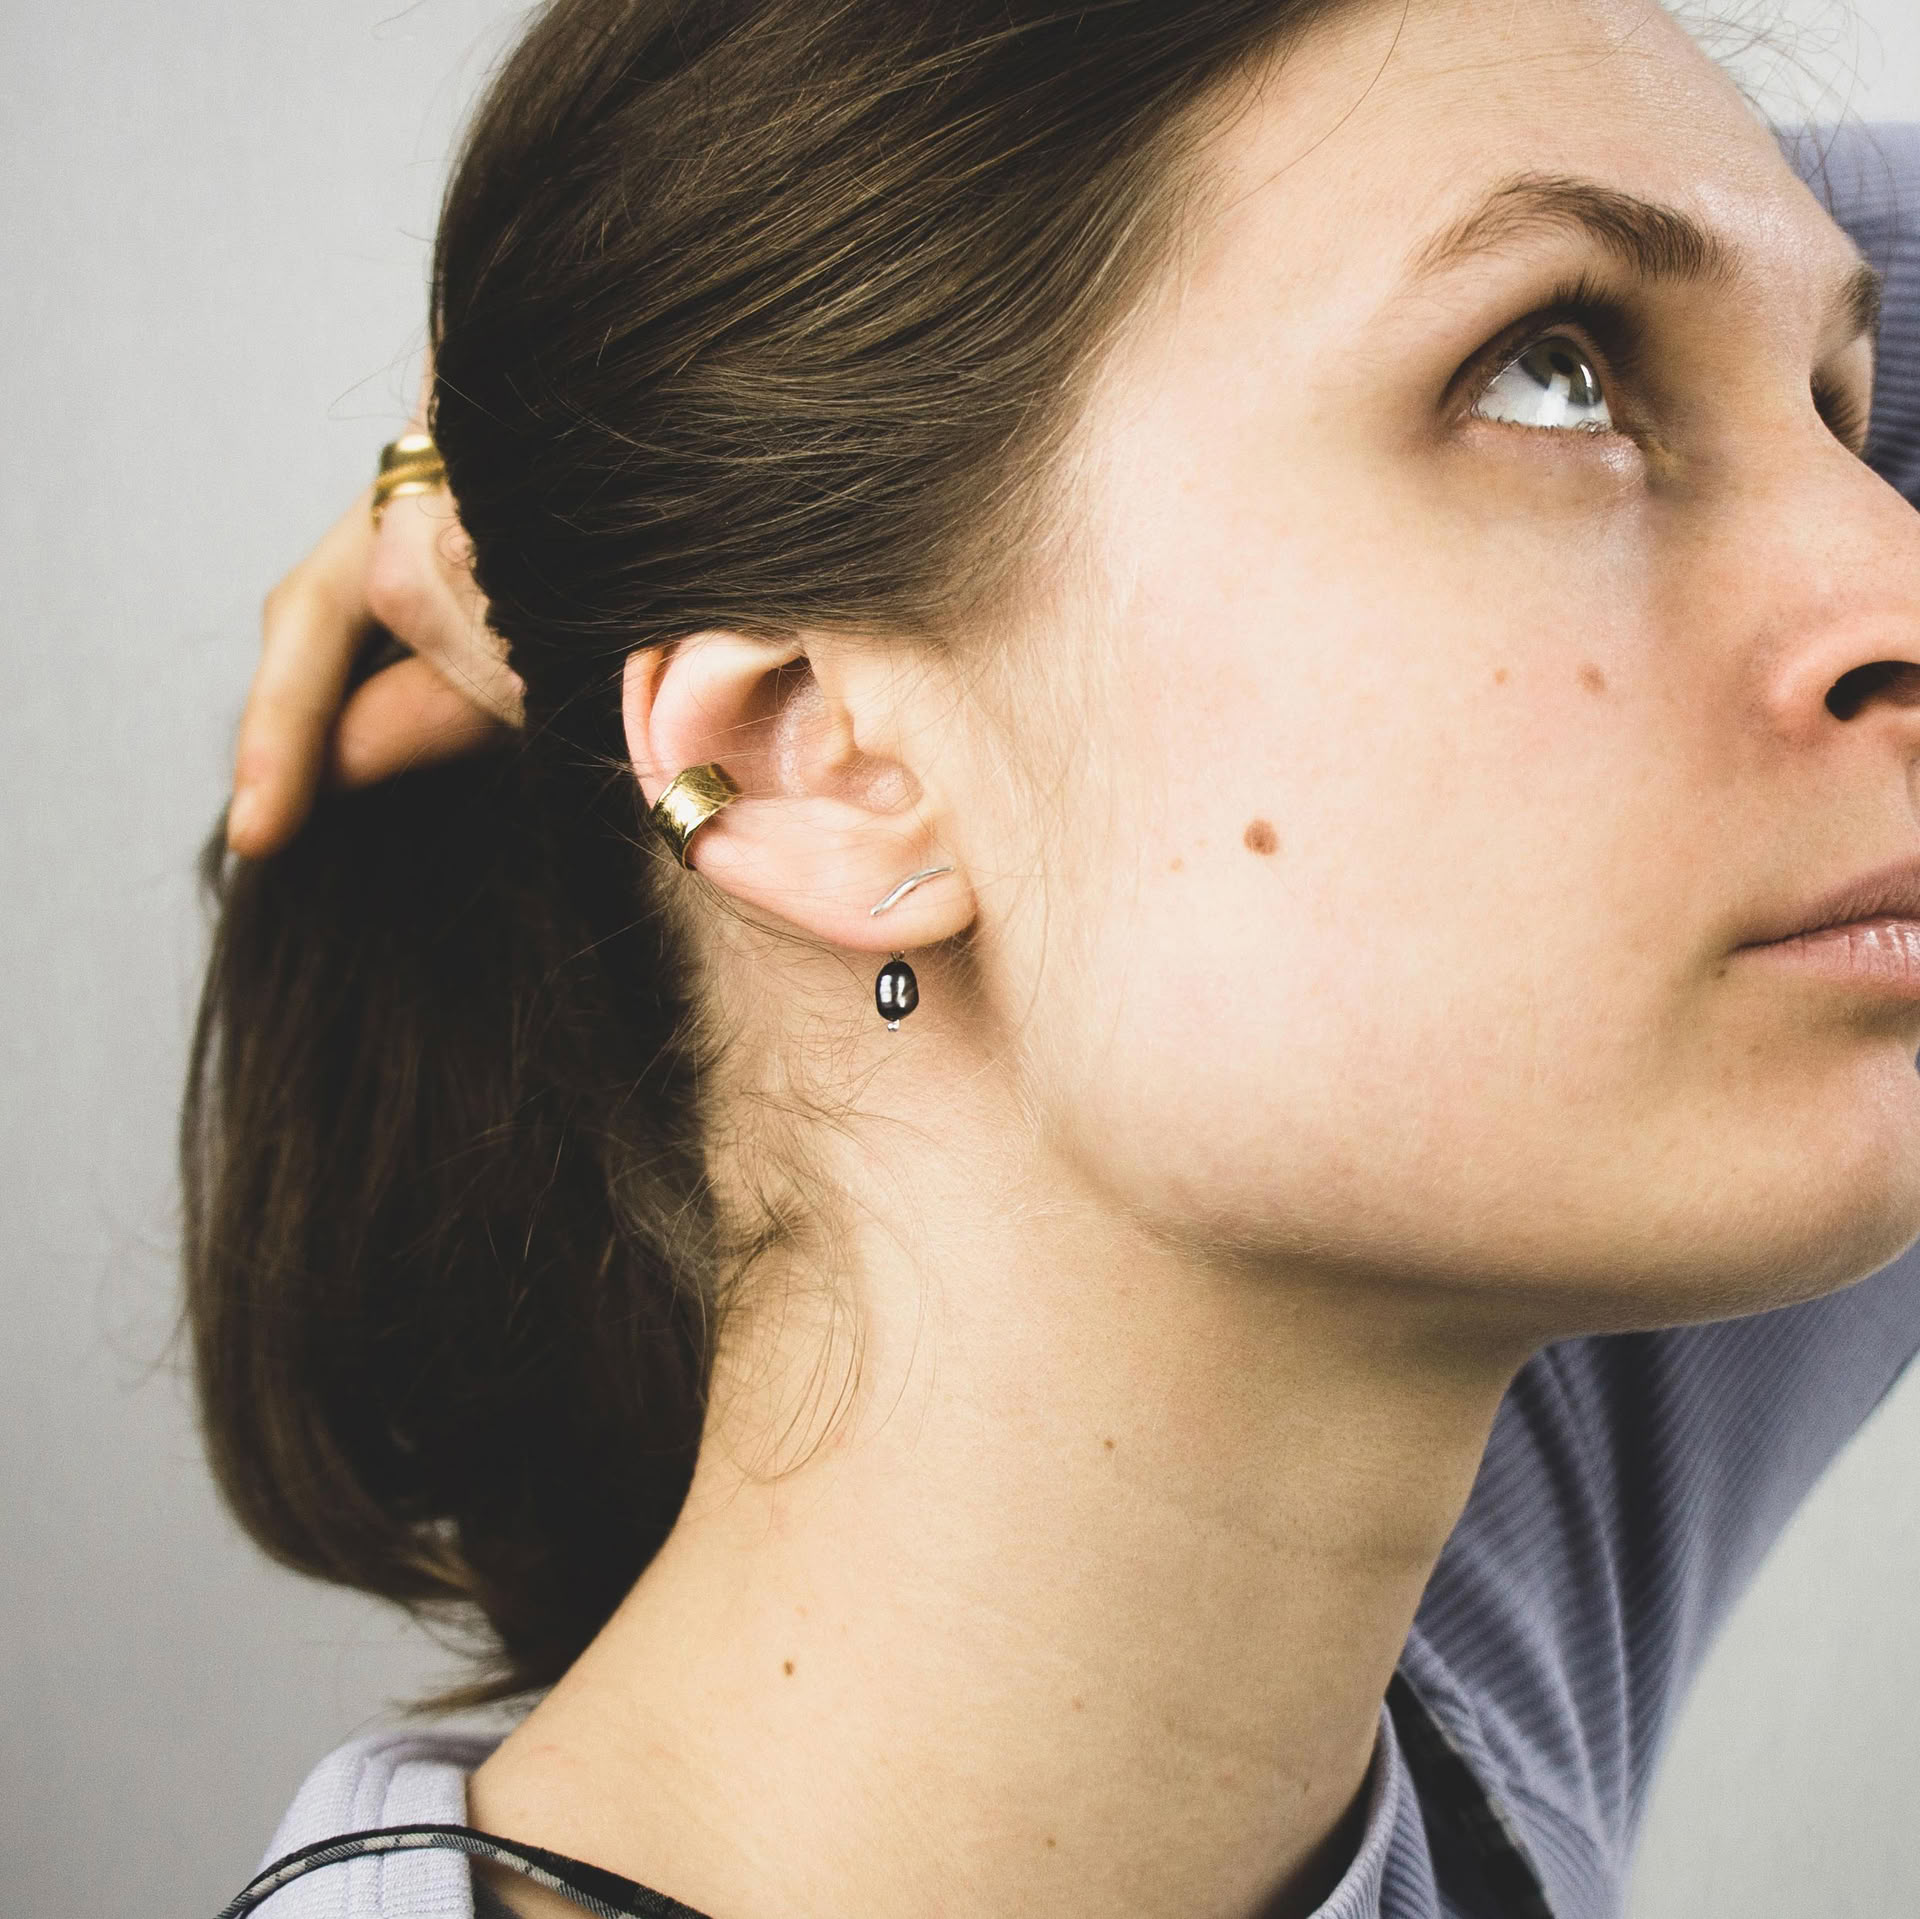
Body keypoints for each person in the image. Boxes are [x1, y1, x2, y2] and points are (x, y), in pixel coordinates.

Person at [194, 0, 1920, 1914]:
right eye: (1551, 372)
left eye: (1842, 414)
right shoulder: (1513, 1635)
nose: (1894, 573)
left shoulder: (1459, 1722)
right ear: (814, 758)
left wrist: (545, 451)